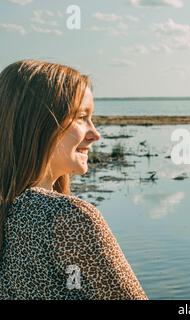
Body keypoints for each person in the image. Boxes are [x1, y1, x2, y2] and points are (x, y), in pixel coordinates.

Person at [0, 60, 148, 300]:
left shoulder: (10, 209)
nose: (95, 133)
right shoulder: (69, 218)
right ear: (38, 124)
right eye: (81, 117)